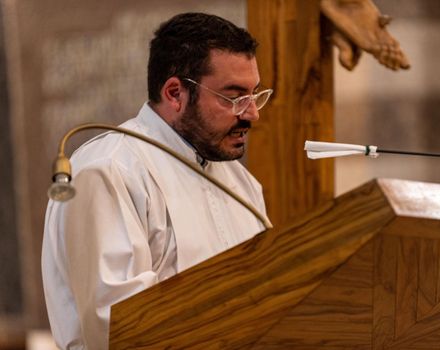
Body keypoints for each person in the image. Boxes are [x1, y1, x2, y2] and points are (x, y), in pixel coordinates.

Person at [42, 12, 272, 349]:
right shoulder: (109, 171)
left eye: (255, 95)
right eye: (233, 96)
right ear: (175, 93)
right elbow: (121, 324)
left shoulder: (242, 183)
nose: (252, 113)